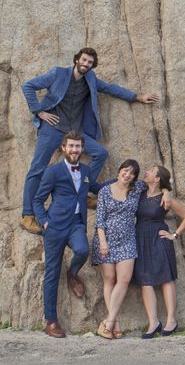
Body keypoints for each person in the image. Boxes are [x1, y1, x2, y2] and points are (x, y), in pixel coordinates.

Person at [21, 47, 159, 234]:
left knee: (101, 152)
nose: (85, 64)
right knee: (38, 168)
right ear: (77, 59)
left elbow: (111, 89)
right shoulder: (58, 73)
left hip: (75, 132)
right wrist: (38, 111)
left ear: (92, 65)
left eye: (90, 63)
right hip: (52, 129)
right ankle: (27, 215)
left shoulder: (91, 79)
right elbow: (28, 86)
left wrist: (137, 97)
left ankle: (83, 191)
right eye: (84, 60)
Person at [32, 131, 101, 338]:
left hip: (76, 225)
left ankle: (72, 274)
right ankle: (51, 321)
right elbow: (38, 200)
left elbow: (98, 188)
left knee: (82, 250)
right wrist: (44, 222)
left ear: (82, 149)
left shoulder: (87, 171)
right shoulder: (53, 172)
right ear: (64, 148)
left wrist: (125, 183)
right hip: (54, 227)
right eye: (71, 146)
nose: (74, 150)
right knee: (52, 274)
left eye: (78, 146)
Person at [92, 159, 169, 339]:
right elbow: (100, 220)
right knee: (109, 280)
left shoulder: (136, 189)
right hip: (106, 240)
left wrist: (166, 192)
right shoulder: (105, 191)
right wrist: (103, 242)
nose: (128, 175)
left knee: (124, 279)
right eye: (125, 171)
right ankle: (115, 322)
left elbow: (158, 184)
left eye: (132, 173)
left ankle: (108, 322)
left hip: (127, 240)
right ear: (119, 171)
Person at [134, 165, 185, 338]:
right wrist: (167, 188)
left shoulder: (166, 198)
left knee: (166, 279)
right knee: (145, 281)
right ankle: (153, 322)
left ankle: (171, 320)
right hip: (140, 239)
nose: (146, 172)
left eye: (151, 171)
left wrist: (174, 234)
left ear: (158, 178)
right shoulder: (140, 191)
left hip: (159, 239)